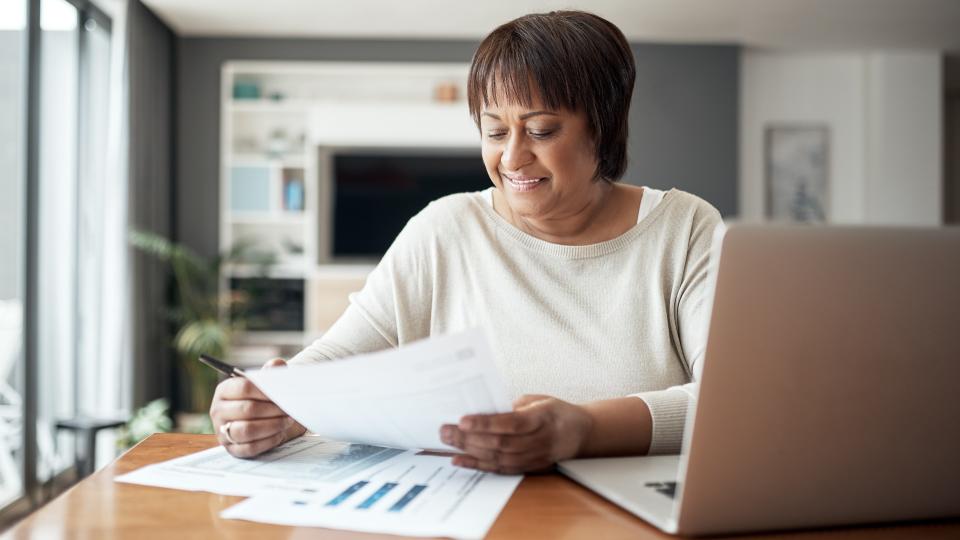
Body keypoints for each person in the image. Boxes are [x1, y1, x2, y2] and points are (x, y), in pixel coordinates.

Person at [210, 10, 722, 474]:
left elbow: (731, 400)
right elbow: (336, 360)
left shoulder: (684, 228)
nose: (512, 158)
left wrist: (581, 429)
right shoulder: (445, 229)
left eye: (541, 131)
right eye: (495, 132)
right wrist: (271, 408)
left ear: (604, 129)